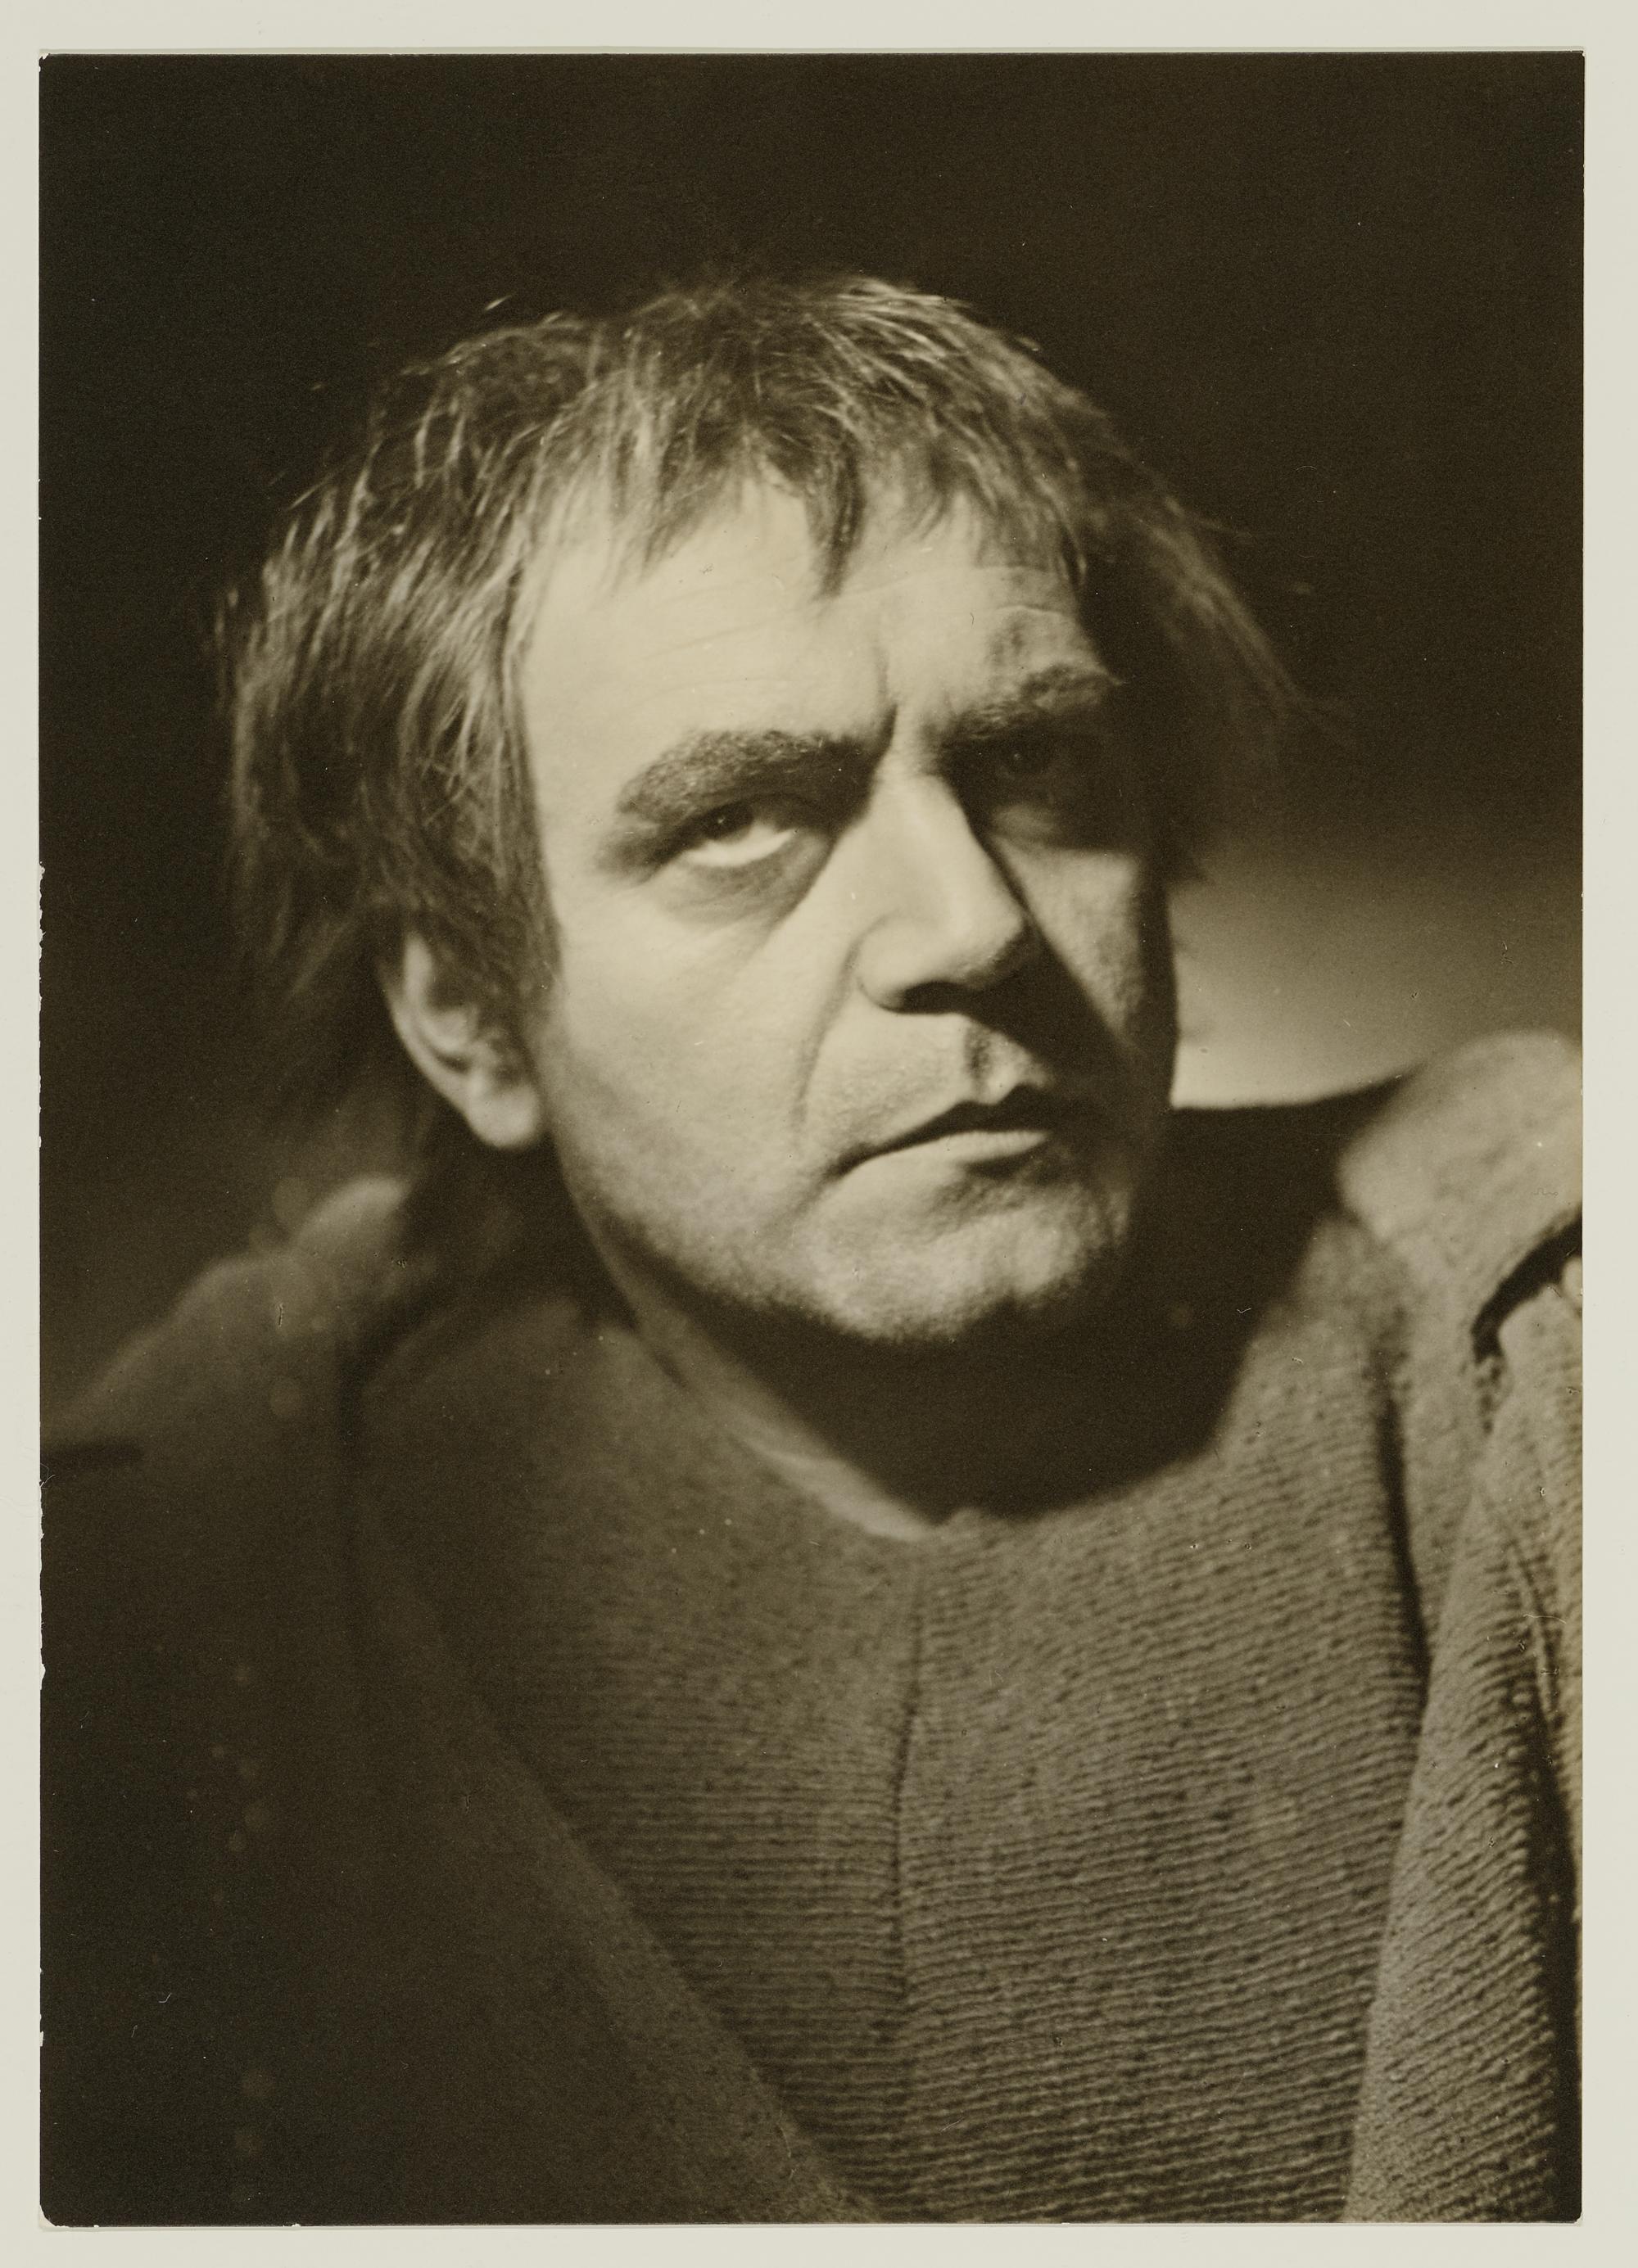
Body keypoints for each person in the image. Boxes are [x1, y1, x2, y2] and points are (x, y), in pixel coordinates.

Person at [42, 273, 1581, 2225]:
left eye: (1033, 764)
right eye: (745, 820)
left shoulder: (1544, 1377)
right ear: (471, 1022)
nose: (971, 924)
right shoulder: (189, 1580)